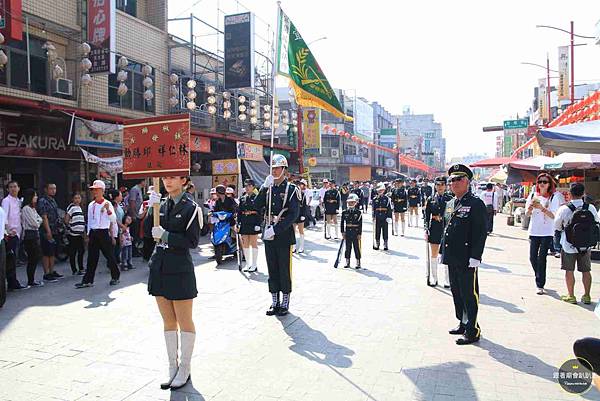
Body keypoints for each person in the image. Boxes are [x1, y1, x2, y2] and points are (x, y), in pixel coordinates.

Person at [146, 176, 202, 390]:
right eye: (165, 177)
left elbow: (192, 241)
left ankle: (185, 369)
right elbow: (149, 234)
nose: (168, 181)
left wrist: (167, 235)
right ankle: (172, 367)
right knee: (168, 321)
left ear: (183, 180)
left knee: (184, 320)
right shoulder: (161, 203)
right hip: (159, 266)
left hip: (179, 269)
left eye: (173, 177)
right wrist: (151, 209)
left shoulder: (191, 208)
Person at [441, 164, 488, 345]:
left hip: (467, 257)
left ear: (467, 182)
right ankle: (462, 321)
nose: (454, 183)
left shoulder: (475, 203)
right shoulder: (450, 203)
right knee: (456, 291)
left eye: (458, 179)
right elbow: (448, 228)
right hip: (452, 255)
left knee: (469, 293)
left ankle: (472, 330)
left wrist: (476, 256)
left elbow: (480, 232)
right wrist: (443, 252)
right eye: (451, 180)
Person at [254, 154, 300, 316]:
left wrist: (276, 229)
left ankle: (285, 301)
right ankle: (275, 301)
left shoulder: (291, 189)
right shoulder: (268, 188)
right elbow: (256, 205)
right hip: (268, 233)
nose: (274, 171)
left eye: (277, 168)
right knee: (272, 268)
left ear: (284, 169)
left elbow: (293, 214)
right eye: (272, 168)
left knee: (284, 269)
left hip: (283, 234)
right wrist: (263, 188)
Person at [554, 182, 599, 305]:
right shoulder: (591, 208)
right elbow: (596, 223)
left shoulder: (564, 209)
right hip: (586, 245)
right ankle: (587, 296)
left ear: (569, 194)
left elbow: (557, 226)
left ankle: (571, 295)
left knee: (569, 271)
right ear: (583, 193)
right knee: (586, 271)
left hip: (568, 245)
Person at [75, 180, 120, 288]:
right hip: (94, 233)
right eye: (93, 190)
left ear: (102, 191)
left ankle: (115, 276)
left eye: (97, 189)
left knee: (109, 256)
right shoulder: (91, 205)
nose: (94, 192)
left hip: (104, 232)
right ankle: (88, 280)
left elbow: (113, 219)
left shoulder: (107, 203)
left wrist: (108, 210)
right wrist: (88, 233)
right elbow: (90, 220)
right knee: (91, 258)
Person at [525, 173, 564, 295]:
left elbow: (554, 216)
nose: (542, 184)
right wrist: (531, 208)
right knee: (532, 257)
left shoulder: (554, 197)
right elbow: (527, 214)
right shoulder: (532, 195)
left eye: (544, 182)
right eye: (540, 181)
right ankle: (539, 275)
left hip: (547, 232)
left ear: (549, 184)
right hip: (534, 231)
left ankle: (540, 284)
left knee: (542, 257)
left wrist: (542, 208)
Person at [425, 176, 453, 287]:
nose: (440, 187)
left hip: (446, 228)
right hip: (435, 228)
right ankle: (434, 278)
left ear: (446, 186)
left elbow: (452, 214)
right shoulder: (430, 199)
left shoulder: (450, 198)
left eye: (442, 185)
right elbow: (426, 216)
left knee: (447, 254)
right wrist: (426, 229)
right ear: (435, 186)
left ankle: (447, 279)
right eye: (438, 185)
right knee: (434, 254)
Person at [37, 183, 63, 282]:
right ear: (46, 189)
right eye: (51, 188)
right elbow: (44, 217)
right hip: (46, 230)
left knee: (52, 251)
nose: (53, 190)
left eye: (54, 188)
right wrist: (48, 231)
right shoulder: (43, 201)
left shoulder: (53, 200)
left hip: (55, 229)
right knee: (46, 252)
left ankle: (52, 271)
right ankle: (46, 273)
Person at [2, 180, 26, 290]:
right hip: (11, 234)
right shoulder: (6, 201)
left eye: (15, 186)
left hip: (18, 233)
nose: (13, 189)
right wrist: (7, 231)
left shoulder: (18, 201)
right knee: (11, 260)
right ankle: (12, 282)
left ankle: (13, 281)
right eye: (11, 187)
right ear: (7, 189)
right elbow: (4, 217)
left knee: (14, 259)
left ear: (19, 188)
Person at [21, 189, 44, 287]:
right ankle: (31, 280)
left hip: (35, 234)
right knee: (32, 258)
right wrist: (38, 222)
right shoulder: (26, 208)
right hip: (29, 235)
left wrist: (38, 221)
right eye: (34, 196)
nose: (36, 198)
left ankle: (32, 278)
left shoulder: (33, 208)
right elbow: (35, 223)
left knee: (35, 257)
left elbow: (40, 219)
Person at [238, 179, 261, 273]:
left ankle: (254, 264)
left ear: (253, 187)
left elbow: (260, 212)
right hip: (244, 222)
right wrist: (238, 223)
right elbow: (239, 212)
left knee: (254, 243)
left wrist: (258, 224)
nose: (247, 188)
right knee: (245, 244)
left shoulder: (257, 198)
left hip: (253, 221)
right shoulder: (242, 198)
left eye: (249, 186)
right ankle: (248, 264)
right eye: (246, 186)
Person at [65, 192, 86, 275]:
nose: (77, 200)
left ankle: (81, 268)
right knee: (73, 252)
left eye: (79, 198)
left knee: (81, 250)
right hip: (73, 234)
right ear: (72, 199)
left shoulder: (79, 208)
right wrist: (70, 227)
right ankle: (74, 269)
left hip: (79, 234)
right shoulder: (72, 207)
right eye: (75, 198)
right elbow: (66, 219)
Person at [341, 194, 362, 269]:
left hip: (355, 232)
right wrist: (342, 232)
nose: (350, 204)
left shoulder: (358, 212)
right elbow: (342, 223)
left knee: (356, 247)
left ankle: (358, 261)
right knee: (348, 247)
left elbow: (360, 224)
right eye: (349, 202)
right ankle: (347, 261)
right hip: (348, 232)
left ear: (356, 203)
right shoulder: (344, 212)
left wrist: (359, 233)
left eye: (352, 202)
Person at [127, 179, 146, 256]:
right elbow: (132, 202)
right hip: (135, 215)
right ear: (141, 181)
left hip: (139, 214)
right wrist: (133, 214)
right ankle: (133, 251)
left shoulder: (139, 190)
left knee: (137, 233)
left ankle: (136, 249)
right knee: (134, 233)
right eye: (145, 181)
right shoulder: (135, 189)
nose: (145, 183)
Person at [108, 189, 125, 270]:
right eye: (120, 195)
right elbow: (113, 218)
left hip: (119, 229)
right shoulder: (113, 205)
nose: (122, 197)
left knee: (119, 247)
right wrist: (122, 225)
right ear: (117, 197)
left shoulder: (120, 205)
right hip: (115, 229)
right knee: (115, 248)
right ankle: (113, 265)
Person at [372, 183, 392, 251]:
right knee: (377, 231)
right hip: (377, 216)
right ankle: (377, 243)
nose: (380, 191)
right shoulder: (375, 199)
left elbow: (389, 208)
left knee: (385, 230)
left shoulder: (387, 199)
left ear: (384, 190)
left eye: (381, 190)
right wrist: (373, 216)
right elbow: (373, 209)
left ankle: (385, 243)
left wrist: (389, 216)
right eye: (379, 190)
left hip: (384, 216)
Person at [293, 179, 308, 253]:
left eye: (299, 184)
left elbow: (305, 206)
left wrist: (303, 215)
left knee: (301, 230)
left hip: (300, 214)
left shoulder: (303, 194)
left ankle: (301, 247)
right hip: (293, 215)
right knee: (293, 231)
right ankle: (294, 247)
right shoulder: (292, 194)